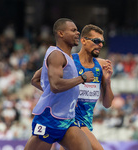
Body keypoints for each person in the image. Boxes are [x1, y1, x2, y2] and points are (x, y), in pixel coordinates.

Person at [32, 24, 114, 150]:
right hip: (72, 119)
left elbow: (107, 104)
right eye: (97, 41)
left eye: (102, 42)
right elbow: (36, 79)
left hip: (83, 123)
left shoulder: (101, 66)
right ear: (83, 41)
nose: (100, 45)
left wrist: (107, 81)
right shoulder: (68, 60)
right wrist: (64, 95)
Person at [24, 18, 93, 150]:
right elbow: (55, 86)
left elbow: (36, 79)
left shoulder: (67, 57)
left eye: (77, 30)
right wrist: (82, 78)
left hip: (66, 119)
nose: (78, 33)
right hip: (49, 119)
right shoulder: (56, 55)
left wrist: (58, 95)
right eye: (73, 30)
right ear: (61, 33)